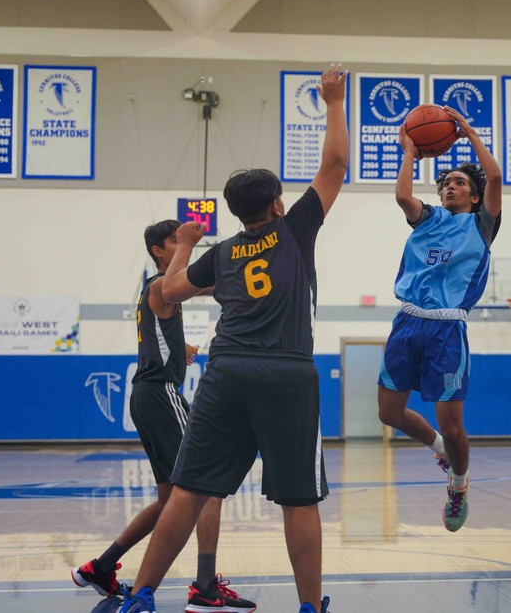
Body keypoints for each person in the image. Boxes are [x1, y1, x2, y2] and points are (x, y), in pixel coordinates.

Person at [118, 63, 349, 613]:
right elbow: (336, 163)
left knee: (190, 487)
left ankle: (142, 595)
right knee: (299, 498)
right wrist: (334, 101)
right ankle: (311, 607)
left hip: (224, 372)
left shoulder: (220, 254)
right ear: (275, 205)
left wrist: (187, 243)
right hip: (287, 374)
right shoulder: (293, 230)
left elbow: (168, 292)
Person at [72, 219, 254, 613]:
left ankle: (100, 567)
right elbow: (196, 284)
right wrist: (197, 246)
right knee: (207, 485)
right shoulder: (159, 285)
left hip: (149, 396)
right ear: (159, 250)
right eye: (173, 242)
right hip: (159, 395)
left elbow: (191, 296)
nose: (180, 246)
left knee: (170, 498)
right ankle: (205, 586)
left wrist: (180, 344)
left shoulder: (157, 293)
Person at [376, 106, 502, 533]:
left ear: (473, 194)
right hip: (407, 321)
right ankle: (438, 449)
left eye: (460, 183)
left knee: (453, 425)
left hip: (447, 328)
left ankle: (459, 485)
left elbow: (496, 178)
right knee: (389, 413)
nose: (450, 187)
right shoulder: (428, 219)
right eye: (446, 182)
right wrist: (409, 150)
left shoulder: (482, 225)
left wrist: (468, 133)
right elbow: (401, 197)